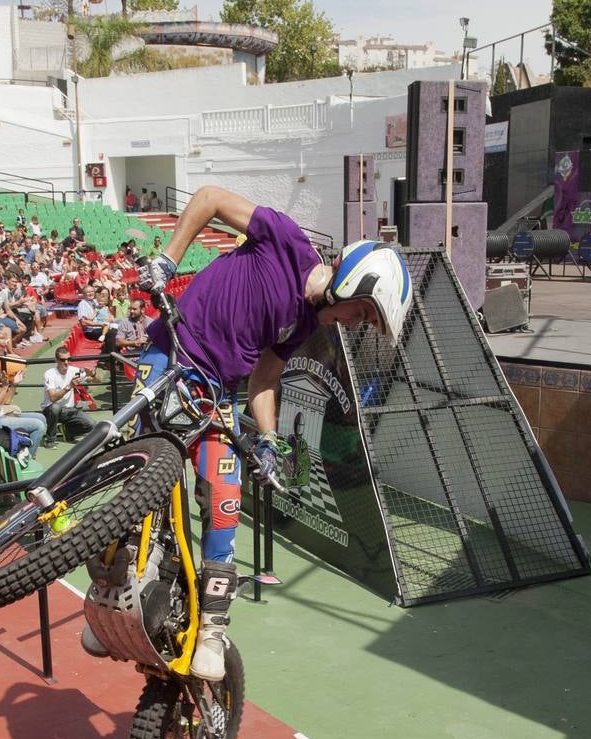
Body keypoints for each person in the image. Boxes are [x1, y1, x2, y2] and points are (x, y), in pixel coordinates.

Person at [109, 185, 413, 682]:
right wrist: (168, 259)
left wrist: (270, 440)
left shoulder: (304, 326)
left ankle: (210, 627)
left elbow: (265, 379)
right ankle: (116, 590)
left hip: (217, 395)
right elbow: (208, 198)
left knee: (225, 495)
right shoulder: (287, 241)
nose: (354, 324)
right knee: (142, 477)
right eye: (362, 313)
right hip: (171, 355)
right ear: (356, 280)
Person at [40, 347, 94, 448]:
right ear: (56, 360)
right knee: (55, 407)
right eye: (63, 360)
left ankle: (68, 432)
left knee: (91, 424)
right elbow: (52, 398)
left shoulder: (74, 371)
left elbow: (96, 381)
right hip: (50, 409)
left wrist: (93, 374)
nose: (66, 362)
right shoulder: (49, 374)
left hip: (69, 409)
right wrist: (69, 386)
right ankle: (50, 439)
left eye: (69, 359)